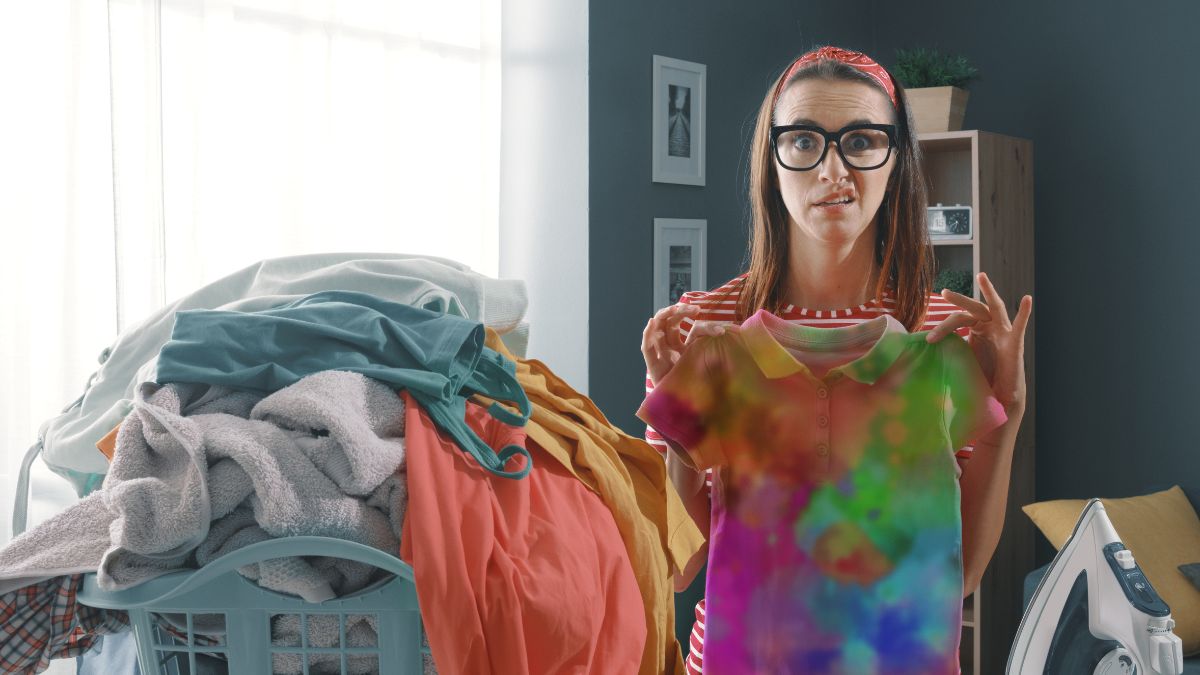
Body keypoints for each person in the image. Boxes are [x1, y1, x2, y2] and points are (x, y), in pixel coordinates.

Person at [639, 45, 1031, 674]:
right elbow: (681, 566)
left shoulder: (938, 333)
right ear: (772, 161)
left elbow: (955, 579)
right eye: (803, 142)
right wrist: (675, 407)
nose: (833, 171)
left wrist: (1005, 417)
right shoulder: (706, 325)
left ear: (896, 158)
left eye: (861, 140)